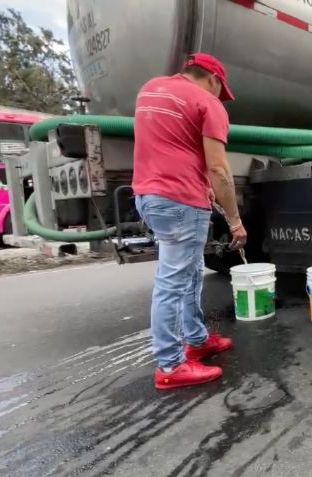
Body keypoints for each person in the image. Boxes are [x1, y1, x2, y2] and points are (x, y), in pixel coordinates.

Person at [132, 53, 245, 390]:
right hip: (181, 201)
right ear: (213, 78)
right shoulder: (208, 104)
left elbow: (172, 146)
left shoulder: (150, 90)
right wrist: (235, 220)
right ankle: (170, 365)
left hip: (150, 196)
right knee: (173, 281)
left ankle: (196, 339)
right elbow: (219, 168)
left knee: (190, 271)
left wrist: (201, 186)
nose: (219, 98)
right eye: (220, 90)